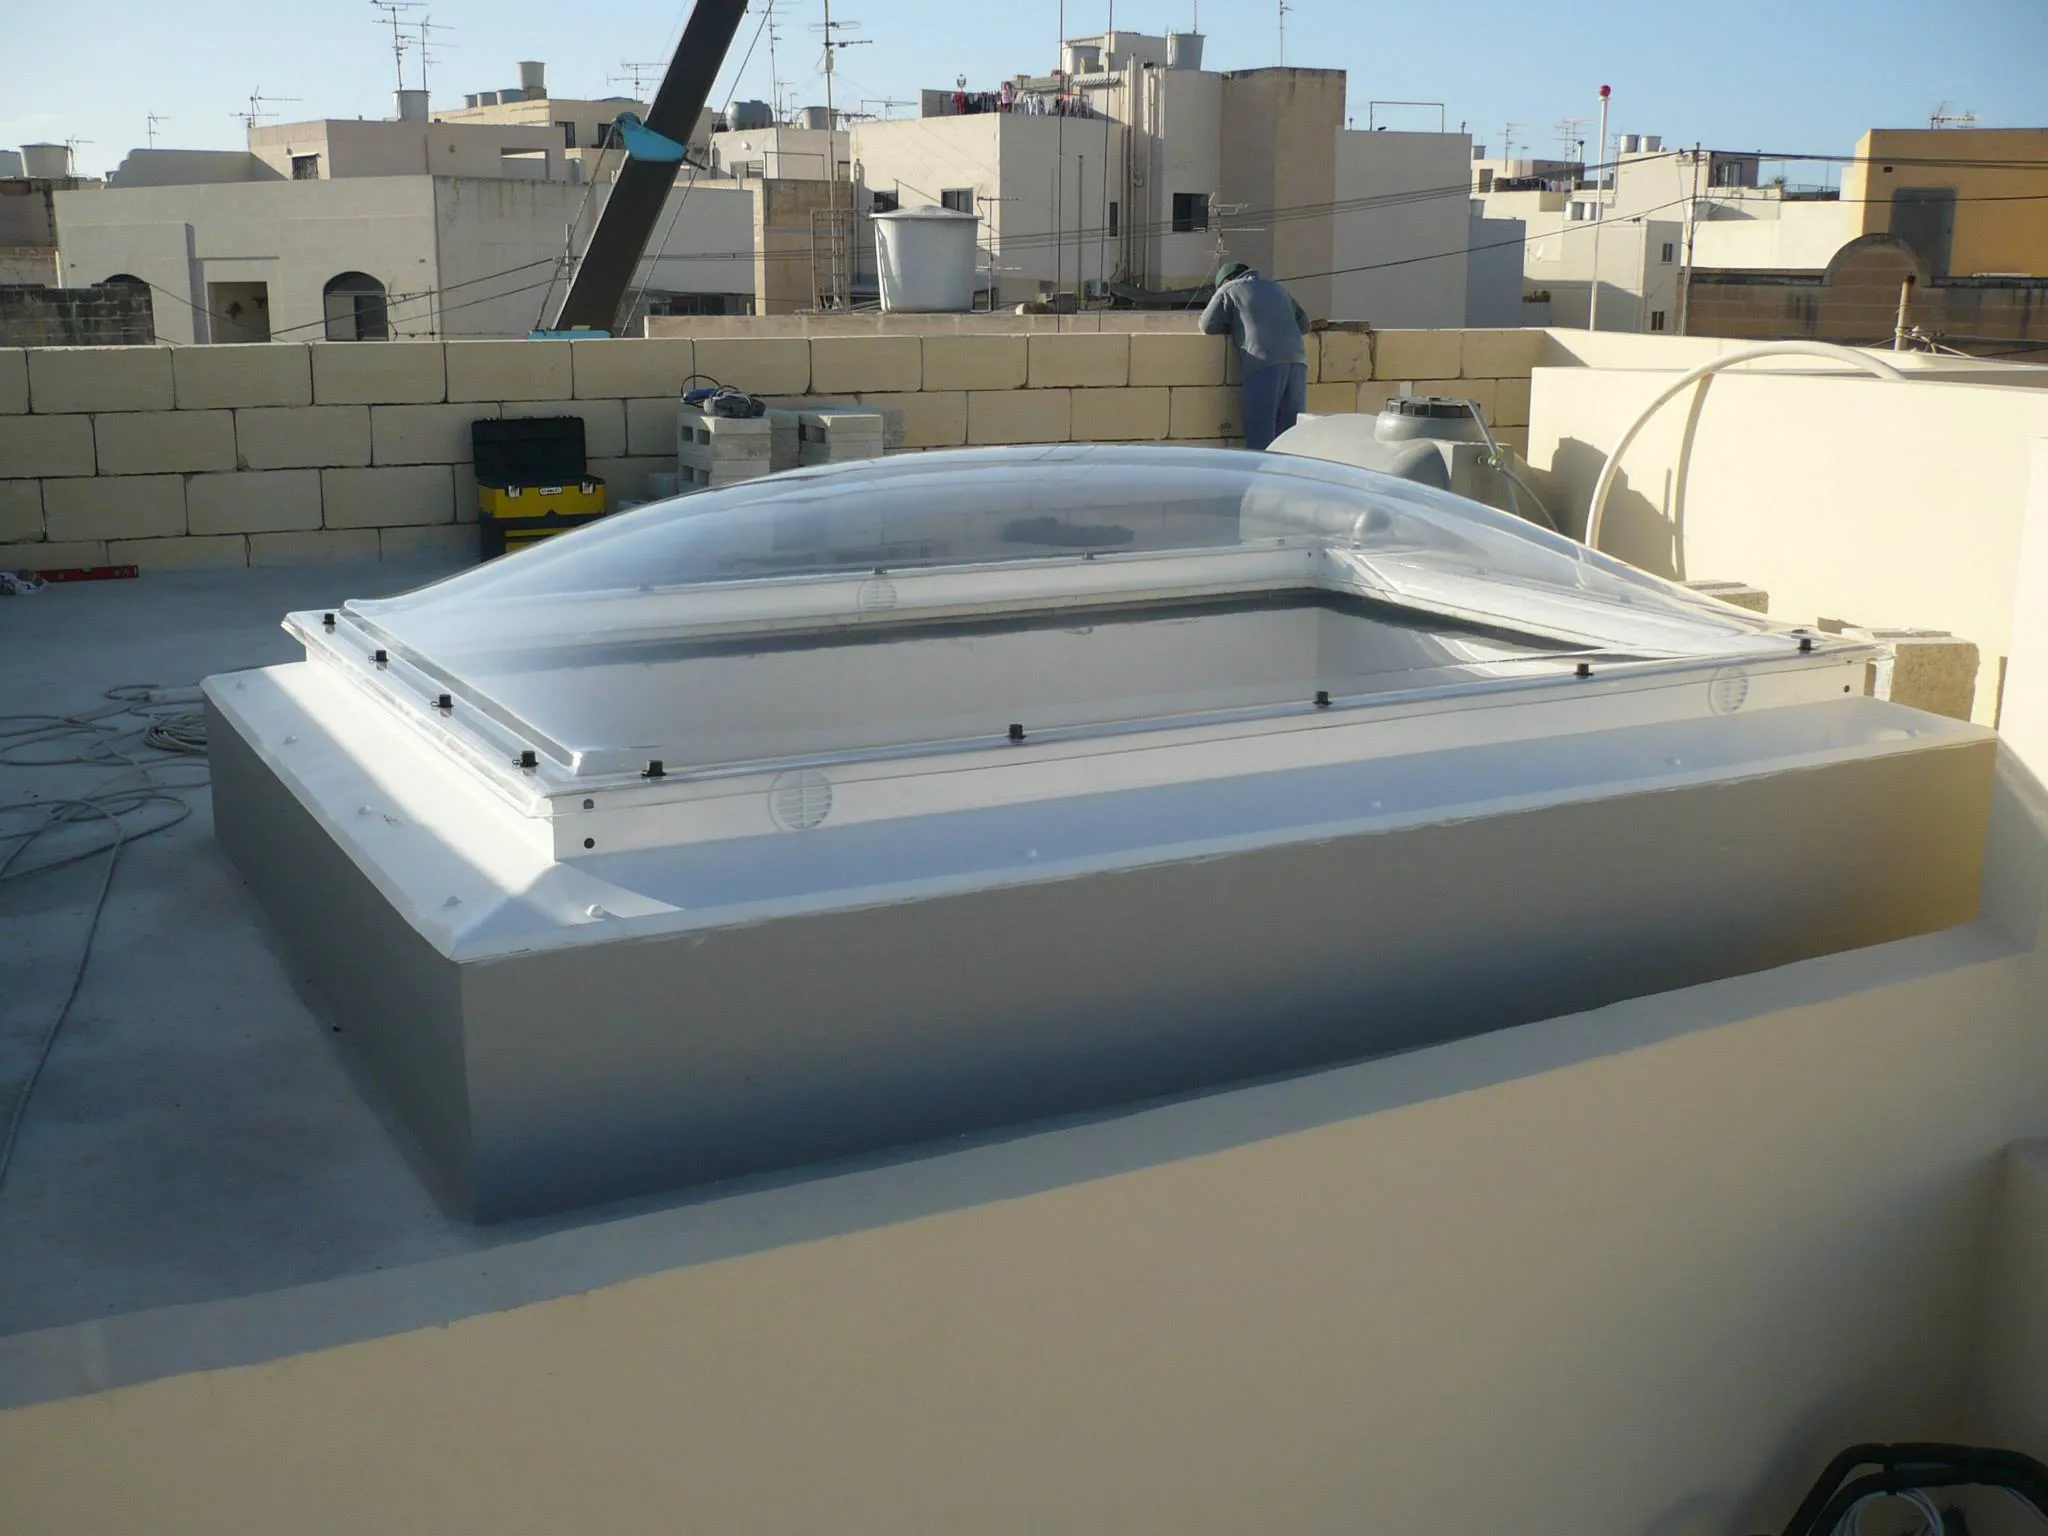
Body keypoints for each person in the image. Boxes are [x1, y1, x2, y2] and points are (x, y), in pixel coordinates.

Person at [1198, 261, 1311, 451]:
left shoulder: (1229, 289)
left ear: (1225, 280)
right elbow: (1305, 324)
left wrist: (1233, 325)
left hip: (1263, 362)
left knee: (1261, 433)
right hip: (1298, 360)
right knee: (1290, 435)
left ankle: (1262, 471)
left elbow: (1206, 325)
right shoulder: (1277, 288)